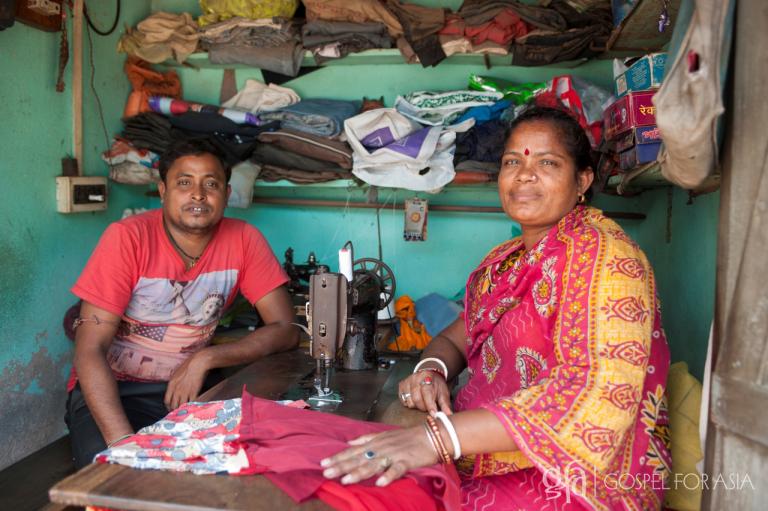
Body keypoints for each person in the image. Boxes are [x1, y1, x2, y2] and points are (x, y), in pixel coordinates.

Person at [321, 107, 671, 510]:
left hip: (581, 478)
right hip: (487, 452)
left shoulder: (607, 257)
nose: (525, 174)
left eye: (548, 162)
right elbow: (458, 336)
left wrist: (435, 438)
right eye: (512, 162)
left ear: (582, 181)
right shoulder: (505, 259)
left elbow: (597, 397)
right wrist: (431, 371)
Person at [66, 139, 298, 468]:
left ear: (227, 194)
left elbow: (286, 328)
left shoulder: (244, 239)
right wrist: (124, 445)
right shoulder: (127, 239)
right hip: (114, 392)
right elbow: (89, 350)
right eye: (184, 182)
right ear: (163, 191)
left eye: (211, 184)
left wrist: (208, 357)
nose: (198, 195)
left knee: (234, 468)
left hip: (187, 392)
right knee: (113, 479)